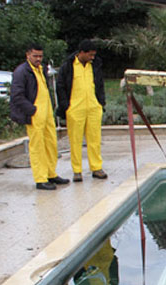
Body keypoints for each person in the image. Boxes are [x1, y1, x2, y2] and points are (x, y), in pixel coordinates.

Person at [10, 43, 69, 190]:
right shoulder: (22, 71)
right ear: (28, 55)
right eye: (35, 56)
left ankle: (51, 173)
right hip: (35, 113)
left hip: (47, 112)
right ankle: (40, 178)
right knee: (37, 146)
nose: (38, 59)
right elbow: (17, 95)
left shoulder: (40, 69)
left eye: (40, 56)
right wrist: (32, 110)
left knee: (50, 144)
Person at [56, 40, 107, 182]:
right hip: (75, 108)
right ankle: (77, 170)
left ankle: (97, 168)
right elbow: (60, 86)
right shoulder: (68, 66)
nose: (92, 57)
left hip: (93, 107)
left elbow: (100, 83)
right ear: (82, 53)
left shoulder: (95, 64)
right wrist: (66, 106)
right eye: (90, 55)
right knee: (75, 141)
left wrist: (100, 102)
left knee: (95, 140)